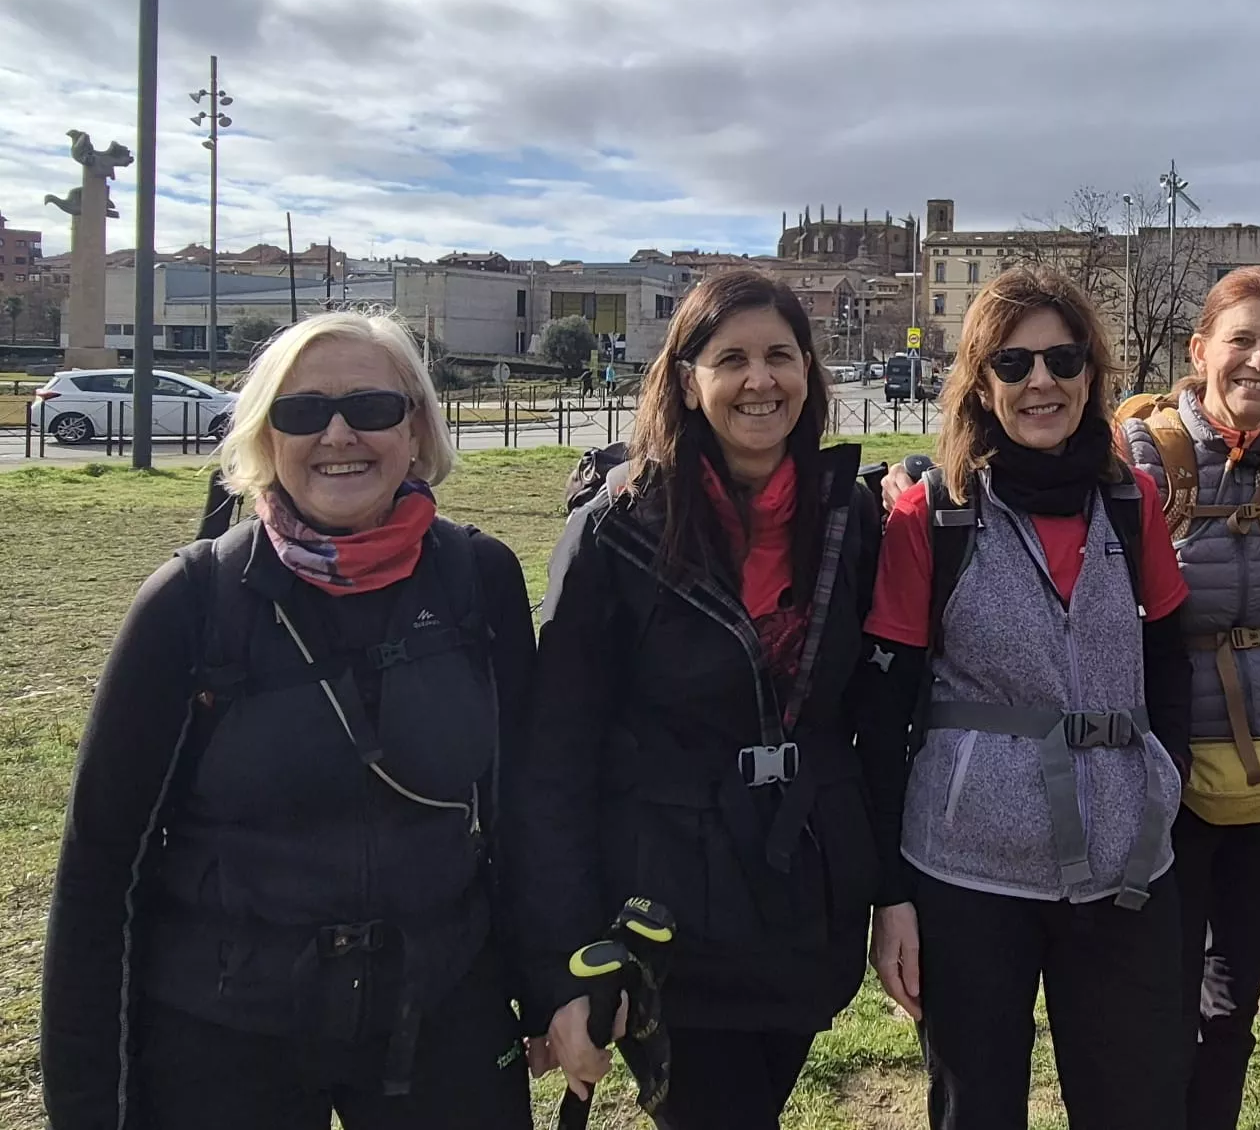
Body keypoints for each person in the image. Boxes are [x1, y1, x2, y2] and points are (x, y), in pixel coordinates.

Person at [40, 311, 535, 1130]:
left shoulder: (480, 577)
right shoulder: (189, 603)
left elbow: (525, 803)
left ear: (416, 426)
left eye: (372, 407)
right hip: (227, 1026)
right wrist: (89, 1105)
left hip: (441, 1008)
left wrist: (553, 983)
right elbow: (100, 866)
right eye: (302, 412)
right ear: (266, 437)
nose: (338, 433)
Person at [516, 270, 882, 1130]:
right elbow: (555, 753)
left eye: (780, 357)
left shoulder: (848, 517)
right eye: (733, 359)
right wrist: (561, 957)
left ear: (808, 374)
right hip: (667, 907)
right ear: (688, 381)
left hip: (799, 896)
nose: (761, 381)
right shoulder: (618, 528)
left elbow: (867, 714)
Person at [859, 264, 1194, 1130]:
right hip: (968, 872)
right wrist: (891, 896)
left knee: (1136, 1104)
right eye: (1013, 365)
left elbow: (1169, 668)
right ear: (980, 383)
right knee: (978, 1110)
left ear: (1092, 373)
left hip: (1124, 867)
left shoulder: (1133, 503)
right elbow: (883, 713)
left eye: (1062, 359)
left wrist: (1164, 800)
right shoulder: (931, 515)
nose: (1041, 381)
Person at [1117, 267, 1260, 1130]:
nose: (1259, 360)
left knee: (1234, 1005)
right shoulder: (1134, 455)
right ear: (1199, 349)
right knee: (1159, 1003)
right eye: (1241, 339)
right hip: (1164, 784)